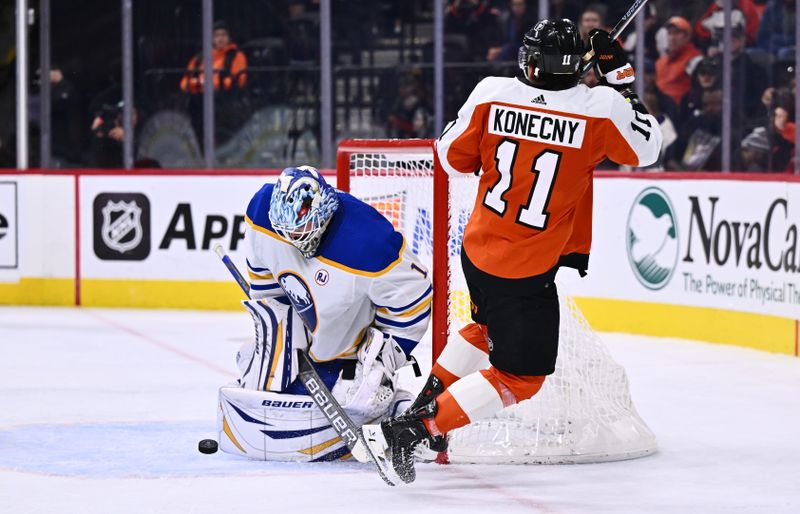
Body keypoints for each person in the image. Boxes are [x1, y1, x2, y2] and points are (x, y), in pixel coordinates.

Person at [362, 18, 662, 485]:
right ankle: (412, 430)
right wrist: (619, 79)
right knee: (521, 378)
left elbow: (449, 156)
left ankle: (427, 402)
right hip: (525, 272)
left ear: (531, 61)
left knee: (484, 327)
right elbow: (648, 148)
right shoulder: (600, 107)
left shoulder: (490, 92)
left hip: (479, 251)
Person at [218, 166, 432, 462]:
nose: (293, 239)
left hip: (351, 354)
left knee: (363, 396)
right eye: (287, 233)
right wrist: (280, 325)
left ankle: (401, 411)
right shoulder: (262, 212)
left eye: (300, 231)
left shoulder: (367, 241)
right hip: (312, 342)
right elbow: (265, 277)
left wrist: (384, 356)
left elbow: (415, 297)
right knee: (257, 371)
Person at [655, 16, 702, 107]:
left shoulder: (695, 59)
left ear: (687, 36)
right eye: (670, 33)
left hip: (680, 112)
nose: (672, 38)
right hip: (659, 111)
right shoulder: (660, 62)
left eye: (677, 33)